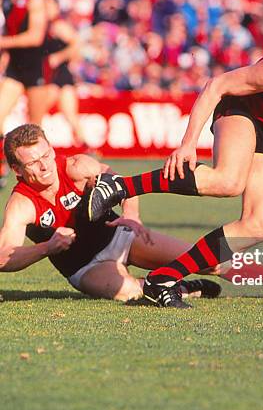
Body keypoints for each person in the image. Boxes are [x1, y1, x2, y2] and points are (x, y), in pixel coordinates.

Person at [87, 0, 263, 308]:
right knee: (228, 181)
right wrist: (188, 144)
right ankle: (121, 186)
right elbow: (216, 86)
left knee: (259, 225)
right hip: (242, 111)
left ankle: (162, 279)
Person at [0, 123, 221, 306]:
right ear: (17, 169)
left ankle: (255, 276)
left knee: (211, 262)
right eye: (32, 163)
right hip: (86, 267)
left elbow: (126, 186)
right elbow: (3, 257)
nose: (44, 166)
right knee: (129, 291)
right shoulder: (22, 203)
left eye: (46, 155)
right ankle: (183, 287)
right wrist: (46, 248)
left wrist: (131, 215)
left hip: (121, 237)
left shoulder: (76, 167)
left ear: (51, 148)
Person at [0, 0, 48, 187]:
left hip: (35, 68)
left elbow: (35, 37)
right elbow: (9, 34)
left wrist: (3, 42)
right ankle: (3, 166)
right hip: (15, 70)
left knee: (35, 129)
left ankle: (44, 180)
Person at [41, 0, 87, 146]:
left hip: (58, 75)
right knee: (70, 115)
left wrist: (59, 57)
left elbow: (76, 44)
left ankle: (34, 145)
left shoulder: (58, 25)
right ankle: (85, 146)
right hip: (59, 75)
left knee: (39, 111)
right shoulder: (47, 25)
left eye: (49, 6)